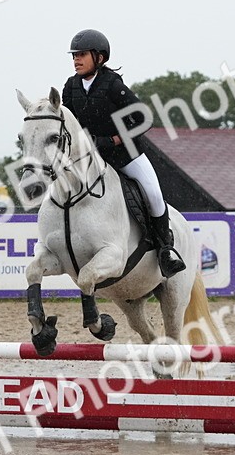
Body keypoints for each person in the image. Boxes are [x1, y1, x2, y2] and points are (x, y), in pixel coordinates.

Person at [60, 29, 186, 278]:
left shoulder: (112, 85)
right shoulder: (71, 86)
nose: (76, 59)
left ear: (99, 57)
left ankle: (165, 250)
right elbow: (68, 123)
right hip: (89, 160)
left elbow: (143, 118)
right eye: (74, 55)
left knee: (154, 194)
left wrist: (113, 140)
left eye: (82, 54)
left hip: (125, 155)